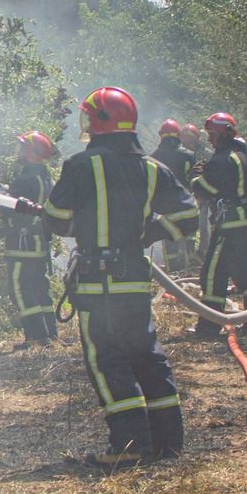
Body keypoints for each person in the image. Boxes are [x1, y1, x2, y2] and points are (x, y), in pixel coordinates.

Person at [20, 87, 199, 468]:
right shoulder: (153, 169)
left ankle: (130, 443)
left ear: (99, 122)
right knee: (147, 357)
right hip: (135, 281)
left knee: (107, 361)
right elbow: (188, 218)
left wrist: (83, 220)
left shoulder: (81, 166)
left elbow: (55, 218)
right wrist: (149, 231)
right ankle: (169, 442)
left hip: (98, 285)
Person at [190, 111, 247, 338]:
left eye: (211, 134)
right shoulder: (241, 154)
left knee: (213, 273)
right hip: (246, 220)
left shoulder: (222, 158)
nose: (209, 139)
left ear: (222, 133)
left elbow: (204, 189)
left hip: (230, 224)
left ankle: (208, 327)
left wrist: (195, 177)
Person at [4, 131, 59, 349]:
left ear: (30, 151)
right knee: (39, 287)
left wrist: (4, 196)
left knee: (20, 287)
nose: (19, 152)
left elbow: (11, 211)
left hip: (22, 244)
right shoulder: (46, 177)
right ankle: (49, 334)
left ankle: (36, 337)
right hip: (39, 243)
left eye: (22, 147)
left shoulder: (25, 179)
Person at [150, 120, 194, 275]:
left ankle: (174, 275)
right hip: (187, 206)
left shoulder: (153, 158)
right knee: (189, 239)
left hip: (165, 209)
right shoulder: (188, 155)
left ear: (161, 135)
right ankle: (193, 268)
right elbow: (193, 180)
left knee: (170, 241)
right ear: (179, 135)